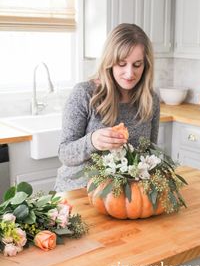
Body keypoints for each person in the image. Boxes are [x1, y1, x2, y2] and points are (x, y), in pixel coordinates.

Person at [55, 23, 160, 191]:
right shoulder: (85, 94)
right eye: (121, 63)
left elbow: (150, 153)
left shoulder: (150, 99)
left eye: (137, 64)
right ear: (109, 62)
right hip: (79, 192)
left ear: (146, 65)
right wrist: (92, 141)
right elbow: (65, 153)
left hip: (125, 195)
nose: (129, 73)